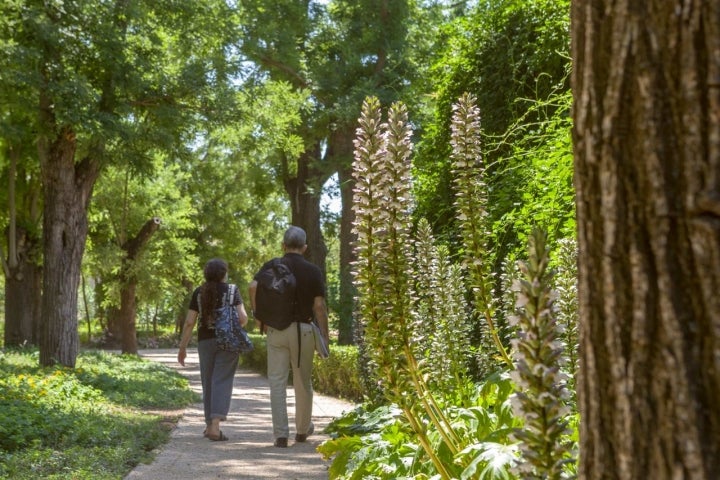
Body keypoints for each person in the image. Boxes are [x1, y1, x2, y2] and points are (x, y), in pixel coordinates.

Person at [249, 226, 330, 448]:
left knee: (277, 382)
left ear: (283, 245)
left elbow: (253, 286)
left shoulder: (272, 266)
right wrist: (324, 333)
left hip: (276, 329)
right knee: (302, 381)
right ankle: (302, 431)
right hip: (303, 330)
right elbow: (319, 306)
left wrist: (259, 317)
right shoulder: (313, 271)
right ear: (304, 247)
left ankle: (281, 435)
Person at [178, 258, 248, 441]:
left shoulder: (199, 293)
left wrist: (182, 348)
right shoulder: (232, 291)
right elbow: (243, 318)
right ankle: (215, 426)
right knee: (222, 380)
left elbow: (189, 322)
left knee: (207, 381)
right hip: (228, 342)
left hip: (205, 341)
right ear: (224, 274)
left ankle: (209, 425)